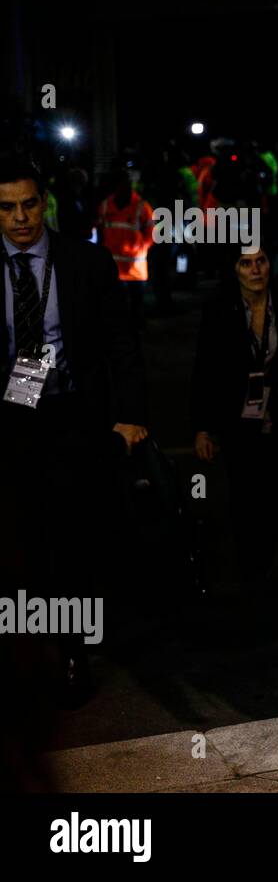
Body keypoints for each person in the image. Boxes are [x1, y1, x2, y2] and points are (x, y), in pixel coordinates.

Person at [0, 157, 149, 707]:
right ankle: (27, 648)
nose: (20, 217)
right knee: (21, 538)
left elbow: (123, 344)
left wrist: (129, 415)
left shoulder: (84, 262)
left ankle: (71, 650)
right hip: (8, 421)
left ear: (47, 203)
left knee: (71, 535)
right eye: (7, 207)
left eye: (30, 204)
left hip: (70, 417)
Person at [191, 245, 278, 592]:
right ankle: (250, 566)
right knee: (243, 491)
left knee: (274, 490)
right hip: (236, 417)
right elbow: (205, 369)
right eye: (246, 263)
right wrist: (203, 428)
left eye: (262, 261)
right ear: (234, 269)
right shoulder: (220, 309)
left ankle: (264, 560)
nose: (255, 270)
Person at [96, 169, 155, 330]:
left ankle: (135, 328)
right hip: (115, 268)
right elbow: (99, 231)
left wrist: (141, 248)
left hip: (134, 268)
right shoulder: (105, 206)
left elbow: (152, 234)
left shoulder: (142, 207)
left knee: (136, 304)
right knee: (116, 306)